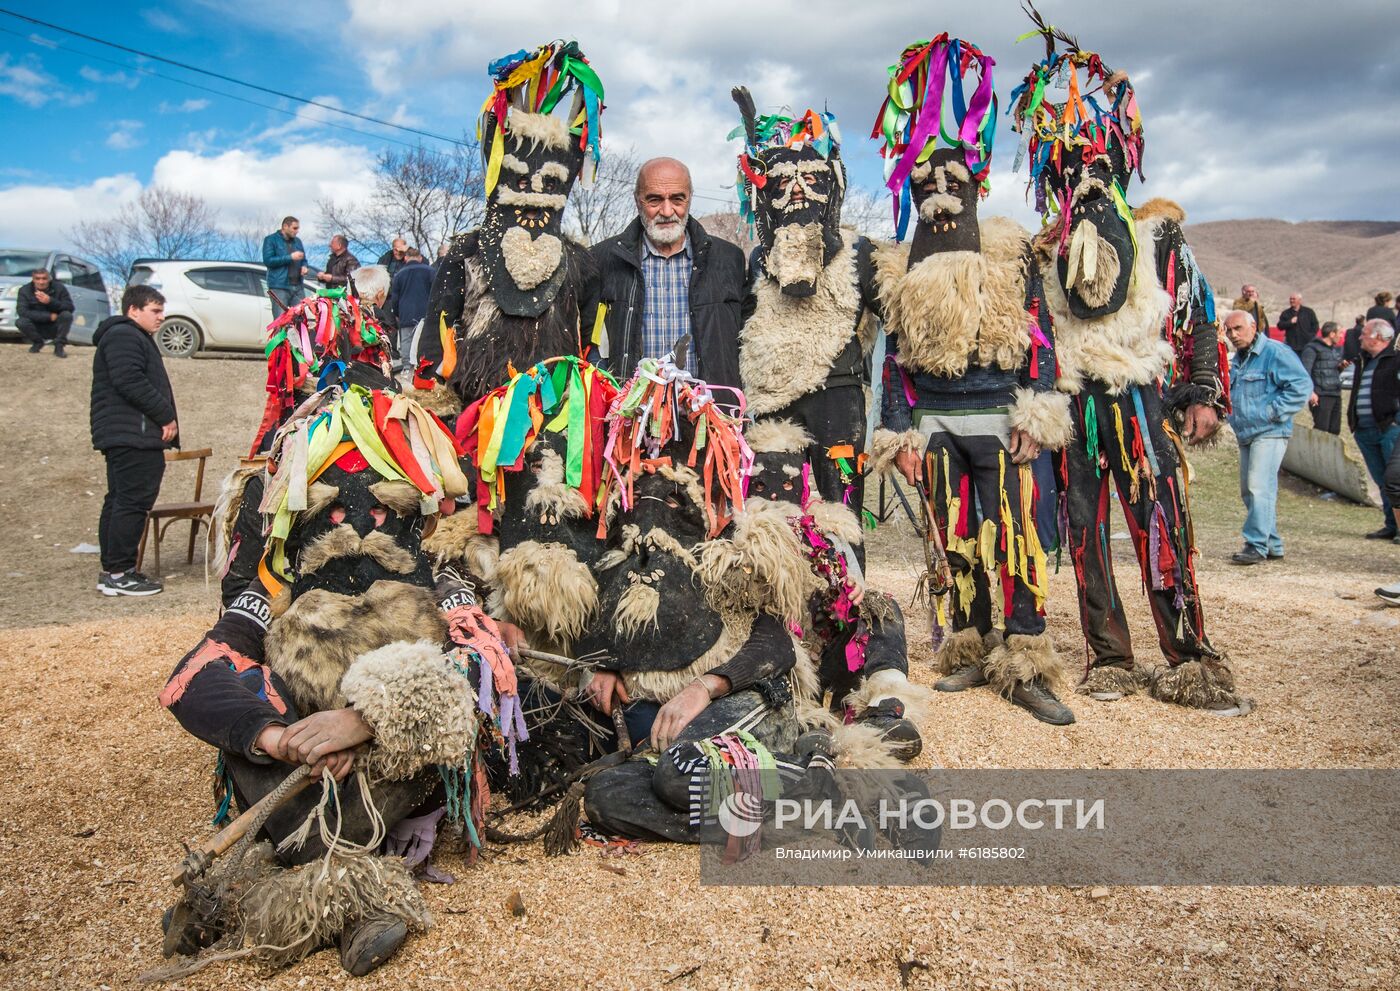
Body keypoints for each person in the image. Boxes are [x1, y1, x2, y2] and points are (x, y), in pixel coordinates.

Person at [157, 387, 515, 977]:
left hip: (384, 769)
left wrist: (363, 721)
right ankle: (345, 896)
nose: (353, 528)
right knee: (246, 711)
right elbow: (190, 678)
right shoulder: (273, 593)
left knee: (433, 709)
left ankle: (308, 896)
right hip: (303, 769)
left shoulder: (443, 579)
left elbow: (480, 667)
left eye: (377, 510)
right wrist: (279, 737)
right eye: (330, 510)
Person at [1009, 23, 1246, 714]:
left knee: (1162, 523)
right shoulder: (1040, 248)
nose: (1083, 169)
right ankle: (1109, 657)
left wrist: (1203, 390)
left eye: (1095, 155)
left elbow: (1199, 316)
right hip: (1074, 404)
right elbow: (1035, 337)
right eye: (1069, 159)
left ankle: (1190, 658)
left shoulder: (1155, 233)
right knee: (1084, 531)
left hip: (1141, 397)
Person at [865, 37, 1075, 725]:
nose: (940, 193)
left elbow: (1041, 337)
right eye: (927, 184)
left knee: (1016, 533)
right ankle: (968, 643)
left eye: (953, 181)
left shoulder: (1012, 253)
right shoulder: (899, 269)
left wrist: (1038, 412)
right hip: (936, 428)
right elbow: (896, 357)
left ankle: (1025, 658)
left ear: (976, 184)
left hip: (1004, 421)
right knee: (953, 538)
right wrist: (898, 427)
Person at [424, 41, 603, 407]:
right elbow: (437, 326)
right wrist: (434, 389)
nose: (534, 195)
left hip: (553, 408)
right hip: (476, 405)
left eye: (549, 184)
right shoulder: (468, 252)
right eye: (521, 182)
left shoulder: (578, 263)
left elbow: (589, 338)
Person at [590, 156, 749, 386]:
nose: (667, 210)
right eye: (654, 200)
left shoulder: (728, 259)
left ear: (690, 199)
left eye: (677, 199)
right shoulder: (602, 259)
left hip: (710, 414)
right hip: (631, 416)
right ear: (638, 201)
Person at [89, 284, 177, 597]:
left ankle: (114, 569)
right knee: (131, 502)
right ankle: (119, 573)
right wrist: (164, 415)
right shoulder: (125, 335)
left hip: (127, 433)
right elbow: (129, 380)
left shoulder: (127, 336)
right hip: (133, 436)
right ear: (133, 310)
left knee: (119, 500)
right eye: (155, 310)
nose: (161, 317)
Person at [1223, 309, 1312, 565]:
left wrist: (1273, 412)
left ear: (1254, 326)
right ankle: (1272, 543)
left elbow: (1301, 386)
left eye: (1238, 328)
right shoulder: (1238, 360)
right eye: (1229, 330)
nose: (1233, 335)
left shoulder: (1275, 352)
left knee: (1258, 486)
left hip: (1270, 431)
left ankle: (1255, 544)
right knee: (1250, 491)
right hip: (1246, 432)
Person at [1348, 318, 1400, 541]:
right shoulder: (1364, 361)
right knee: (1381, 480)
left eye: (1364, 333)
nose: (1360, 337)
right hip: (1364, 430)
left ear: (1378, 337)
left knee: (1395, 479)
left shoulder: (1395, 360)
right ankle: (1391, 524)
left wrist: (1395, 421)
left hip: (1388, 429)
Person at [387, 248, 433, 366]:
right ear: (420, 258)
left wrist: (396, 313)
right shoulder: (430, 271)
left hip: (406, 312)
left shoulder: (399, 274)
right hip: (426, 313)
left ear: (406, 258)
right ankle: (425, 367)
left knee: (407, 341)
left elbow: (395, 298)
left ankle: (407, 367)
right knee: (425, 340)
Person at [15, 267, 73, 357]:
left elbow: (70, 307)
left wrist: (51, 301)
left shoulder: (59, 288)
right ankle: (38, 342)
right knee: (21, 321)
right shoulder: (24, 290)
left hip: (55, 325)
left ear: (49, 279)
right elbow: (22, 312)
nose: (41, 282)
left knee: (67, 315)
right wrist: (48, 316)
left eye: (44, 278)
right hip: (36, 325)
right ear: (33, 279)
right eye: (37, 279)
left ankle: (59, 346)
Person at [1300, 321, 1344, 433]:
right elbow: (1305, 372)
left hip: (1335, 394)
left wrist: (1340, 367)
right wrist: (1311, 392)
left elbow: (1328, 370)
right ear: (1332, 334)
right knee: (1321, 430)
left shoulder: (1334, 350)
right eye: (1339, 333)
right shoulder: (1311, 349)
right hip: (1321, 395)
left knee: (1334, 431)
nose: (1341, 336)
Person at [261, 216, 308, 310]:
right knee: (281, 319)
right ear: (285, 226)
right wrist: (290, 257)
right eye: (294, 228)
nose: (297, 231)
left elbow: (303, 259)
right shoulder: (270, 240)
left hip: (298, 287)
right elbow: (268, 261)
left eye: (298, 228)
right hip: (279, 287)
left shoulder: (298, 242)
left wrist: (304, 266)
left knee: (302, 318)